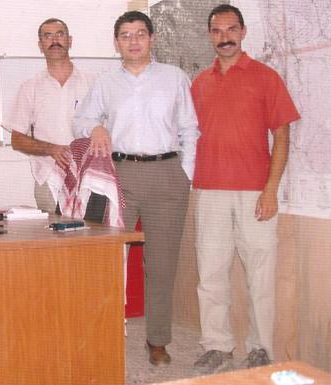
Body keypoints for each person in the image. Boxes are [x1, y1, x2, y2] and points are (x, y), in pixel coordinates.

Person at [73, 11, 199, 366]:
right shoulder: (104, 82)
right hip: (120, 174)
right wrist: (95, 128)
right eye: (125, 35)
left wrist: (183, 174)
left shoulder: (175, 78)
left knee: (161, 265)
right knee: (107, 260)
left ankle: (157, 340)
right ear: (116, 43)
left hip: (167, 175)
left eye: (140, 34)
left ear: (152, 39)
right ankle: (101, 331)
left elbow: (190, 128)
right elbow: (80, 119)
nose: (133, 41)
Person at [191, 4, 300, 373]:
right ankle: (217, 346)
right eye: (218, 31)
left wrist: (271, 190)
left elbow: (282, 135)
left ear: (243, 32)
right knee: (210, 275)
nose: (225, 37)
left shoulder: (266, 77)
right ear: (210, 36)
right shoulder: (199, 82)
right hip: (210, 190)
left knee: (260, 274)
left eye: (231, 29)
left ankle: (260, 348)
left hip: (256, 192)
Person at [3, 18, 94, 213]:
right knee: (55, 241)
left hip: (90, 180)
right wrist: (51, 149)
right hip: (48, 179)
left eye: (60, 34)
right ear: (40, 45)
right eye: (47, 36)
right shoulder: (30, 87)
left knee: (92, 241)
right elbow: (17, 140)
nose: (54, 40)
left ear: (70, 40)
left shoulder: (93, 83)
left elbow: (107, 130)